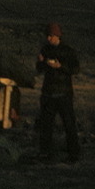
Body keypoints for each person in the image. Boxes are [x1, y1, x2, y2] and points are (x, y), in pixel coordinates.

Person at [35, 22, 81, 162]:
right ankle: (45, 153)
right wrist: (41, 63)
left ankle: (73, 154)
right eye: (47, 36)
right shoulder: (45, 50)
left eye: (51, 36)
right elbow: (39, 70)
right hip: (49, 93)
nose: (48, 38)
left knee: (69, 125)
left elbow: (75, 69)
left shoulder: (67, 51)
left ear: (57, 36)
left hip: (63, 93)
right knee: (46, 126)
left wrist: (60, 66)